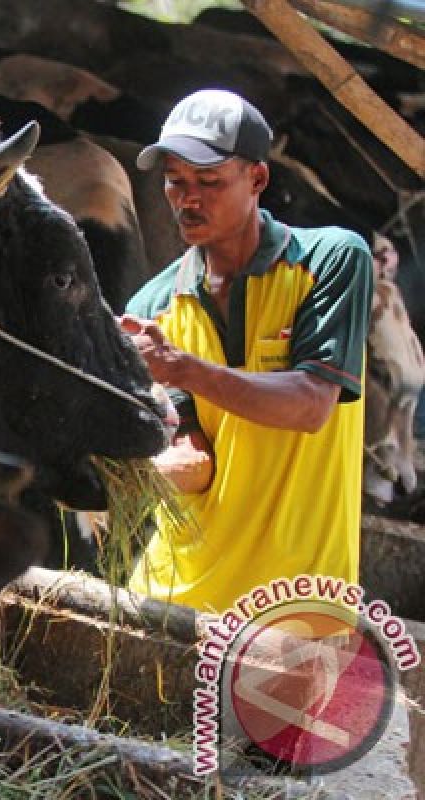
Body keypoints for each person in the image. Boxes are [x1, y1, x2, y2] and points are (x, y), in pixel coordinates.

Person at [120, 89, 373, 613]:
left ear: (257, 179)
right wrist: (112, 476)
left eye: (208, 181)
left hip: (294, 611)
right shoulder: (152, 307)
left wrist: (184, 369)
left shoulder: (331, 261)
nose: (187, 198)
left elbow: (310, 405)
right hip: (172, 601)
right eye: (175, 180)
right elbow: (194, 462)